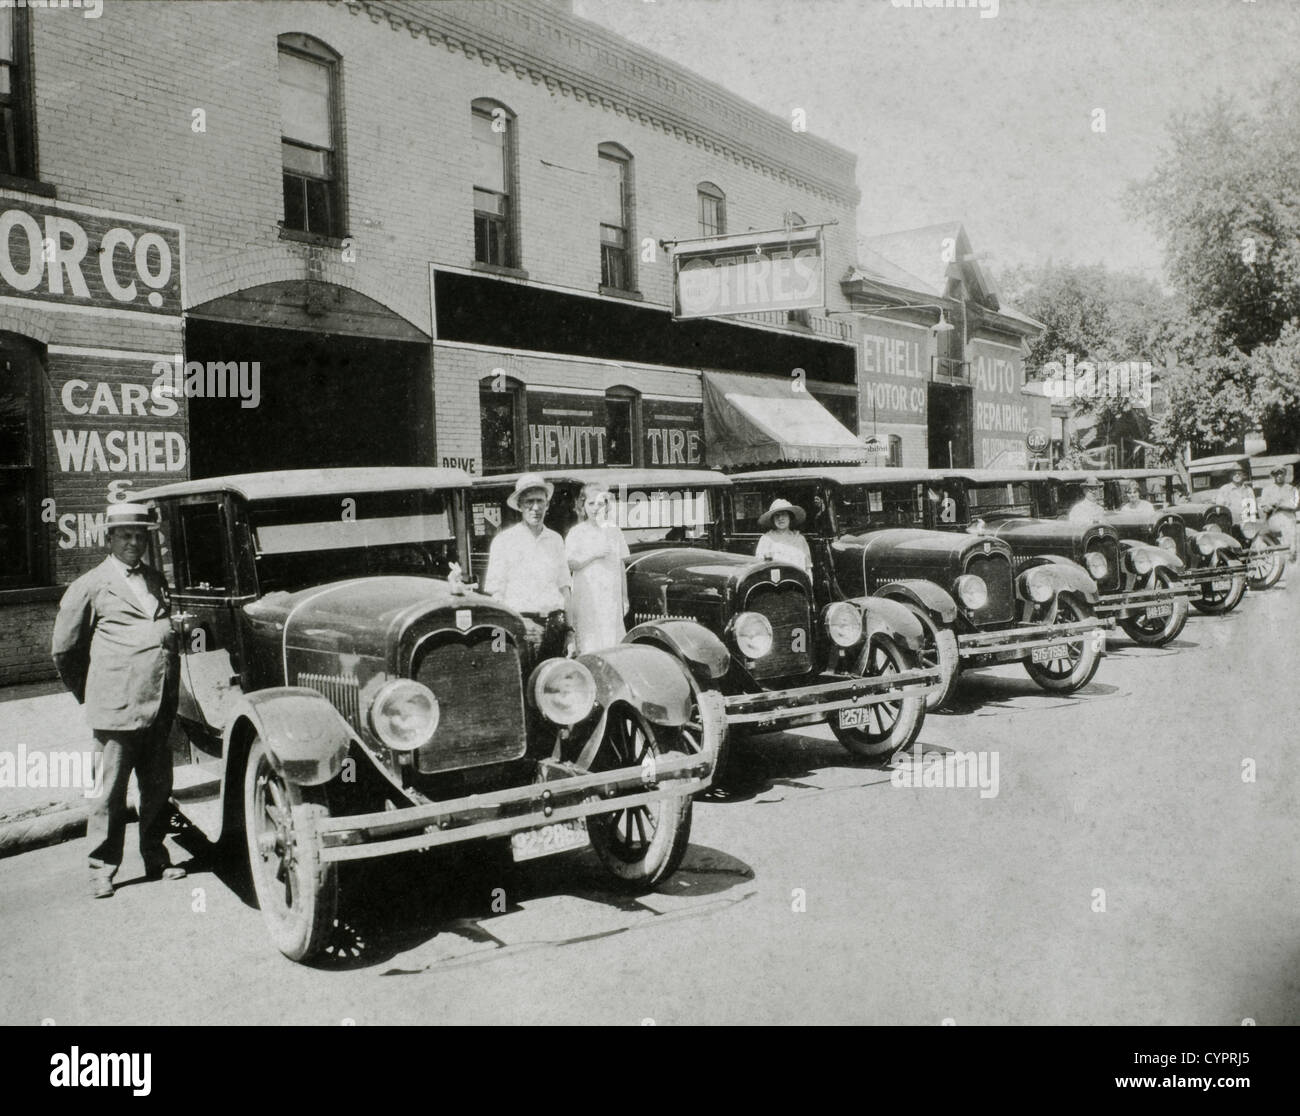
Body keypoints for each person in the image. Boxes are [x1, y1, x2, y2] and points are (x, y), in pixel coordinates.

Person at [50, 503, 186, 899]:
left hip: (159, 703)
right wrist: (90, 692)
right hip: (115, 708)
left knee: (158, 788)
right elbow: (65, 649)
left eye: (140, 536)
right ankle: (102, 868)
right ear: (108, 538)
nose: (133, 542)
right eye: (125, 535)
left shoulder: (157, 581)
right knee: (109, 792)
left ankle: (156, 857)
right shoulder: (91, 585)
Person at [483, 474, 572, 660]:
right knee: (524, 681)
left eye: (540, 501)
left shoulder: (555, 540)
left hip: (555, 625)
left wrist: (571, 632)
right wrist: (520, 622)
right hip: (521, 624)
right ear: (520, 506)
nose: (535, 507)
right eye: (529, 502)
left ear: (547, 505)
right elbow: (496, 594)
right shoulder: (504, 541)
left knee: (553, 684)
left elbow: (565, 588)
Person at [565, 483, 631, 653]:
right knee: (590, 639)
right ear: (583, 505)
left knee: (611, 639)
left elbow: (621, 564)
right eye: (591, 503)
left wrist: (624, 597)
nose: (595, 508)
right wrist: (594, 554)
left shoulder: (614, 531)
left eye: (600, 504)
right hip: (587, 597)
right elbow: (570, 564)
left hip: (610, 596)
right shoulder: (577, 532)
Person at [755, 498, 813, 574]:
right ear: (773, 519)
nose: (780, 518)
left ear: (790, 517)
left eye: (784, 514)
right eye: (777, 515)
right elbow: (759, 567)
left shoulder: (799, 539)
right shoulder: (766, 539)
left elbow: (808, 567)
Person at [1259, 465, 1299, 562]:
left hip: (1288, 516)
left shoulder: (1292, 489)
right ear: (1273, 475)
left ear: (1285, 475)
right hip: (1273, 518)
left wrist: (1282, 505)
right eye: (1276, 474)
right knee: (1286, 523)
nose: (1279, 476)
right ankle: (1285, 553)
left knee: (1289, 524)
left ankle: (1291, 553)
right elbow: (1264, 507)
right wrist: (1270, 506)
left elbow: (1295, 505)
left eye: (1281, 473)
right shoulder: (1267, 489)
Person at [1215, 461, 1258, 528]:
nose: (1237, 475)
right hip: (1230, 523)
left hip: (1246, 524)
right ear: (1230, 476)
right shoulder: (1224, 489)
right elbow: (1219, 509)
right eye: (1234, 474)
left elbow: (1253, 509)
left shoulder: (1248, 490)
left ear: (1243, 475)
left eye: (1239, 473)